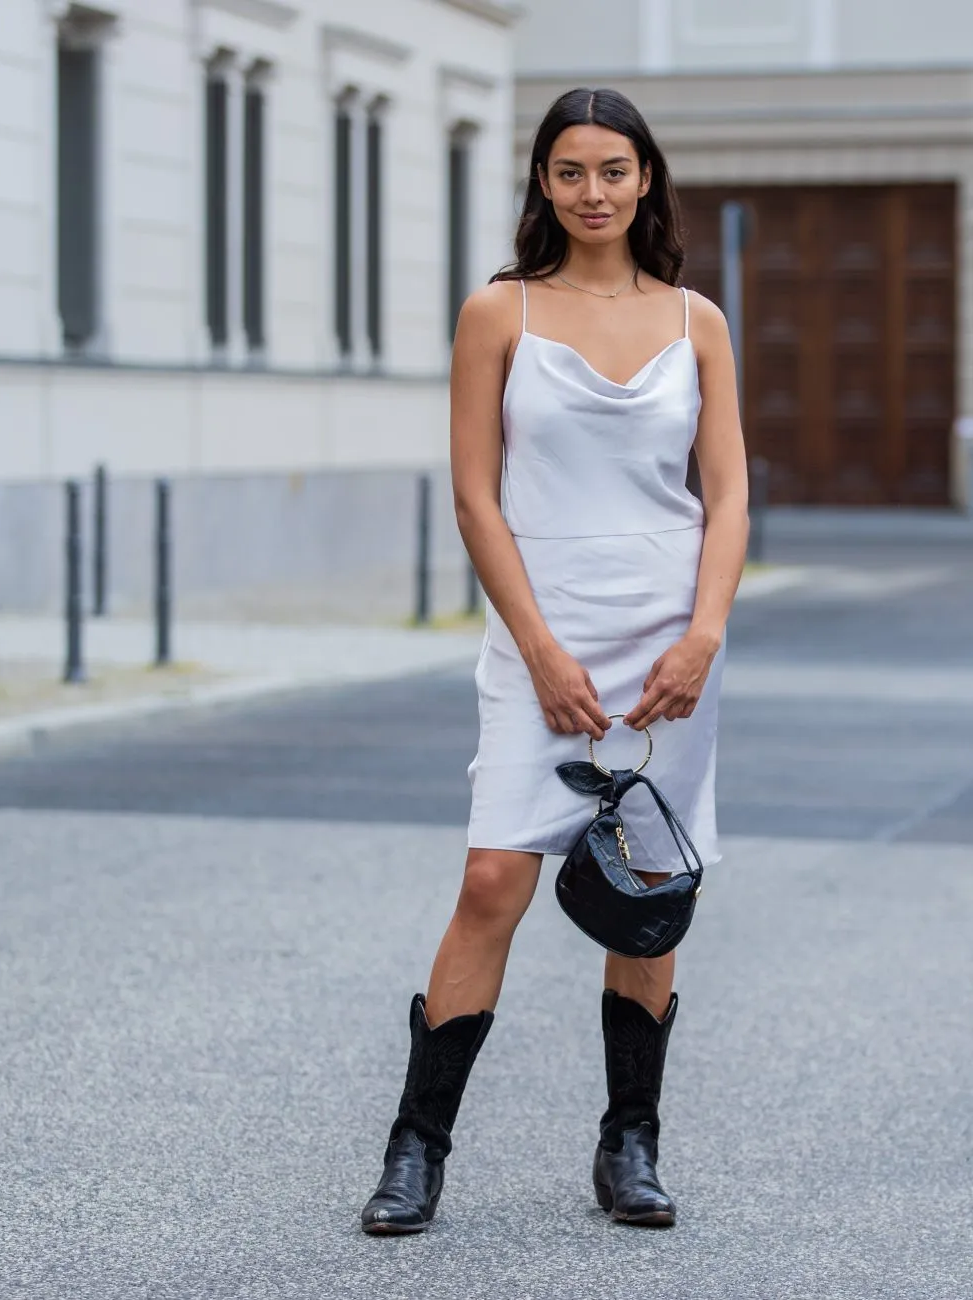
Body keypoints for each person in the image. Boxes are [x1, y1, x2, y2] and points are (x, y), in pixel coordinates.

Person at [358, 86, 749, 1234]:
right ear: (542, 182)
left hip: (667, 638)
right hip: (542, 625)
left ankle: (629, 1145)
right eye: (570, 172)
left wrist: (703, 633)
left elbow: (726, 497)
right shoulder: (499, 314)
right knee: (493, 880)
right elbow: (476, 498)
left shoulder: (695, 321)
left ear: (644, 181)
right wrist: (535, 648)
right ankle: (414, 1150)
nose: (593, 192)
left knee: (647, 891)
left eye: (613, 171)